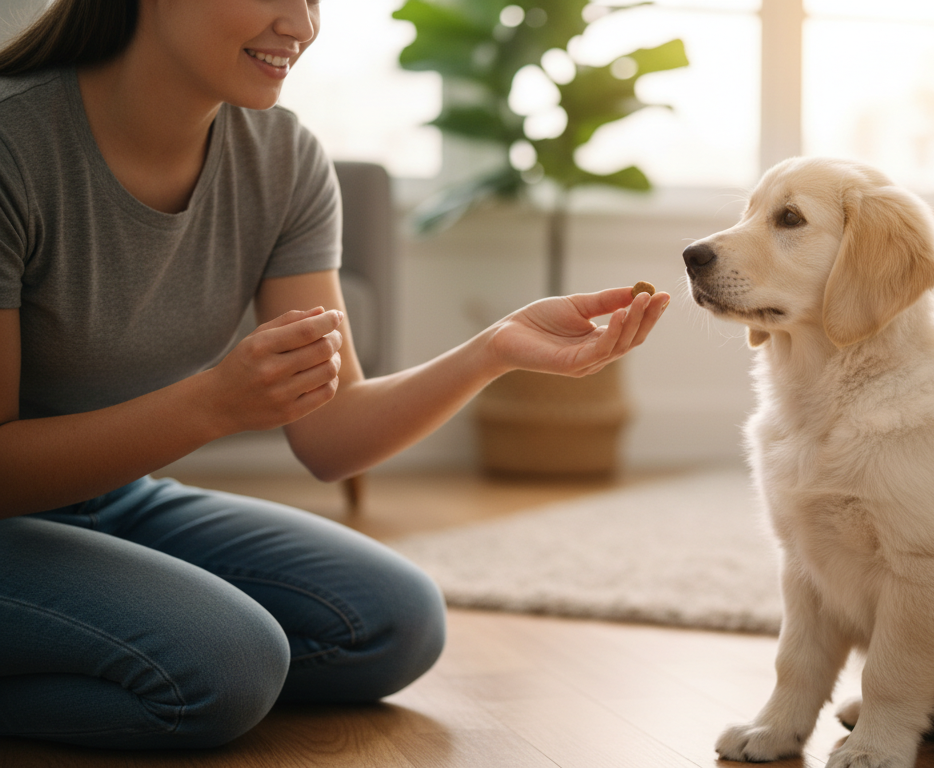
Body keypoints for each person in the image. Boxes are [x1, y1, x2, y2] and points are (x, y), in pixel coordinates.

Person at [0, 0, 670, 750]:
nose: (302, 24)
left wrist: (494, 350)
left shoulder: (282, 159)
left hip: (111, 501)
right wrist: (213, 405)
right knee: (228, 663)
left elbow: (330, 433)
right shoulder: (14, 145)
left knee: (393, 620)